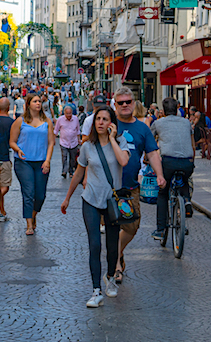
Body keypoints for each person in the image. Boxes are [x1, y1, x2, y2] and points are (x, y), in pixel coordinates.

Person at [60, 107, 130, 307]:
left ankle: (109, 276)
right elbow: (79, 173)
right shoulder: (87, 146)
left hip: (112, 202)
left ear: (112, 123)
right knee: (94, 245)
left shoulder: (121, 142)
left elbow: (123, 161)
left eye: (105, 119)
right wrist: (67, 198)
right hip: (90, 199)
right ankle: (96, 290)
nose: (100, 122)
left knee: (111, 245)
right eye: (98, 118)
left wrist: (114, 139)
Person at [112, 87, 165, 283]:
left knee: (132, 225)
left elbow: (151, 153)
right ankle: (116, 263)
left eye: (128, 102)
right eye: (121, 102)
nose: (125, 105)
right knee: (111, 225)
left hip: (130, 186)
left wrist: (159, 174)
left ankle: (117, 252)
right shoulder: (108, 124)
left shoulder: (142, 128)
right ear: (115, 105)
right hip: (108, 187)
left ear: (133, 104)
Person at [9, 94, 55, 236]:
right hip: (24, 162)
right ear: (28, 104)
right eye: (35, 101)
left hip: (41, 161)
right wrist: (18, 150)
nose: (38, 104)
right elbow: (12, 141)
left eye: (39, 101)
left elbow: (52, 142)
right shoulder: (20, 121)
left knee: (40, 195)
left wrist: (47, 160)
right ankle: (29, 224)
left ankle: (33, 214)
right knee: (28, 193)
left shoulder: (47, 121)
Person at [150, 97, 195, 240]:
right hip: (187, 162)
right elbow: (193, 145)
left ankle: (160, 229)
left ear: (163, 111)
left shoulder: (158, 123)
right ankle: (186, 201)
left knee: (163, 193)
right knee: (184, 179)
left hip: (168, 162)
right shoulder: (186, 122)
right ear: (177, 109)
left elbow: (150, 142)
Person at [54, 106, 81, 178]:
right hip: (64, 142)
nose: (69, 115)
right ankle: (64, 171)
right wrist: (53, 139)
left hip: (73, 142)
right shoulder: (60, 119)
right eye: (67, 113)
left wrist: (79, 140)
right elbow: (56, 130)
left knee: (72, 158)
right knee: (64, 157)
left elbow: (78, 130)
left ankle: (71, 171)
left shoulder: (75, 119)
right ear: (64, 113)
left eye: (70, 113)